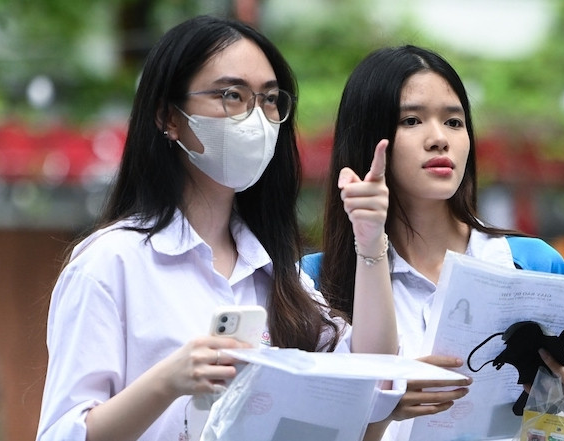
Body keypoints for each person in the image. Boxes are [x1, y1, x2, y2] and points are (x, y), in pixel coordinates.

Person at [36, 15, 397, 441]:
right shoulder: (110, 264)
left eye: (268, 99)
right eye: (231, 95)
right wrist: (167, 381)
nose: (257, 118)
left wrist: (371, 243)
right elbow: (63, 433)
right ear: (168, 117)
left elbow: (371, 384)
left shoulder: (275, 270)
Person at [301, 45, 564, 440]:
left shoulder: (534, 265)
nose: (440, 139)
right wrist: (384, 411)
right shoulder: (314, 282)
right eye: (411, 120)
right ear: (368, 136)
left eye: (454, 122)